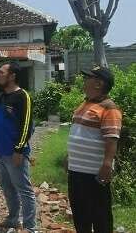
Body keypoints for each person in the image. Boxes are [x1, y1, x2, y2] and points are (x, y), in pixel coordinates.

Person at [0, 62, 36, 233]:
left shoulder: (23, 96)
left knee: (24, 189)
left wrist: (18, 150)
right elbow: (0, 122)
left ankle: (30, 227)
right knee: (7, 187)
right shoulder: (1, 97)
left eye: (1, 72)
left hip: (14, 153)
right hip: (0, 151)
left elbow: (26, 127)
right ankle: (12, 220)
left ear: (12, 76)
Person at [66, 66, 122, 233]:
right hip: (76, 171)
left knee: (100, 217)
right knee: (80, 215)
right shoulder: (85, 104)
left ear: (98, 83)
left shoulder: (109, 108)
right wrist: (69, 156)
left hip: (94, 174)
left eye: (87, 78)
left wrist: (107, 164)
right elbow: (78, 133)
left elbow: (111, 138)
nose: (84, 81)